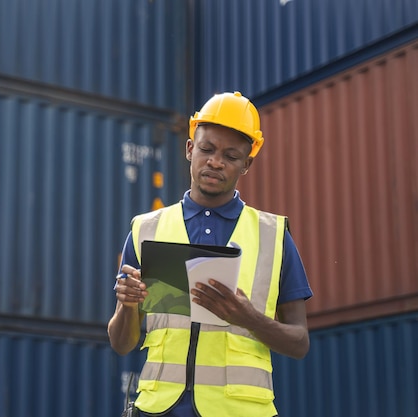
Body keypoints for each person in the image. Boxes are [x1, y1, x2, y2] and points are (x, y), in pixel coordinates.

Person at [108, 91, 312, 417]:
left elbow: (300, 343)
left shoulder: (273, 237)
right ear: (190, 148)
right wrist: (127, 306)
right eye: (207, 149)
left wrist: (249, 319)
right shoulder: (146, 230)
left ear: (246, 164)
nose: (215, 161)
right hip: (158, 410)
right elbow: (122, 343)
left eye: (231, 156)